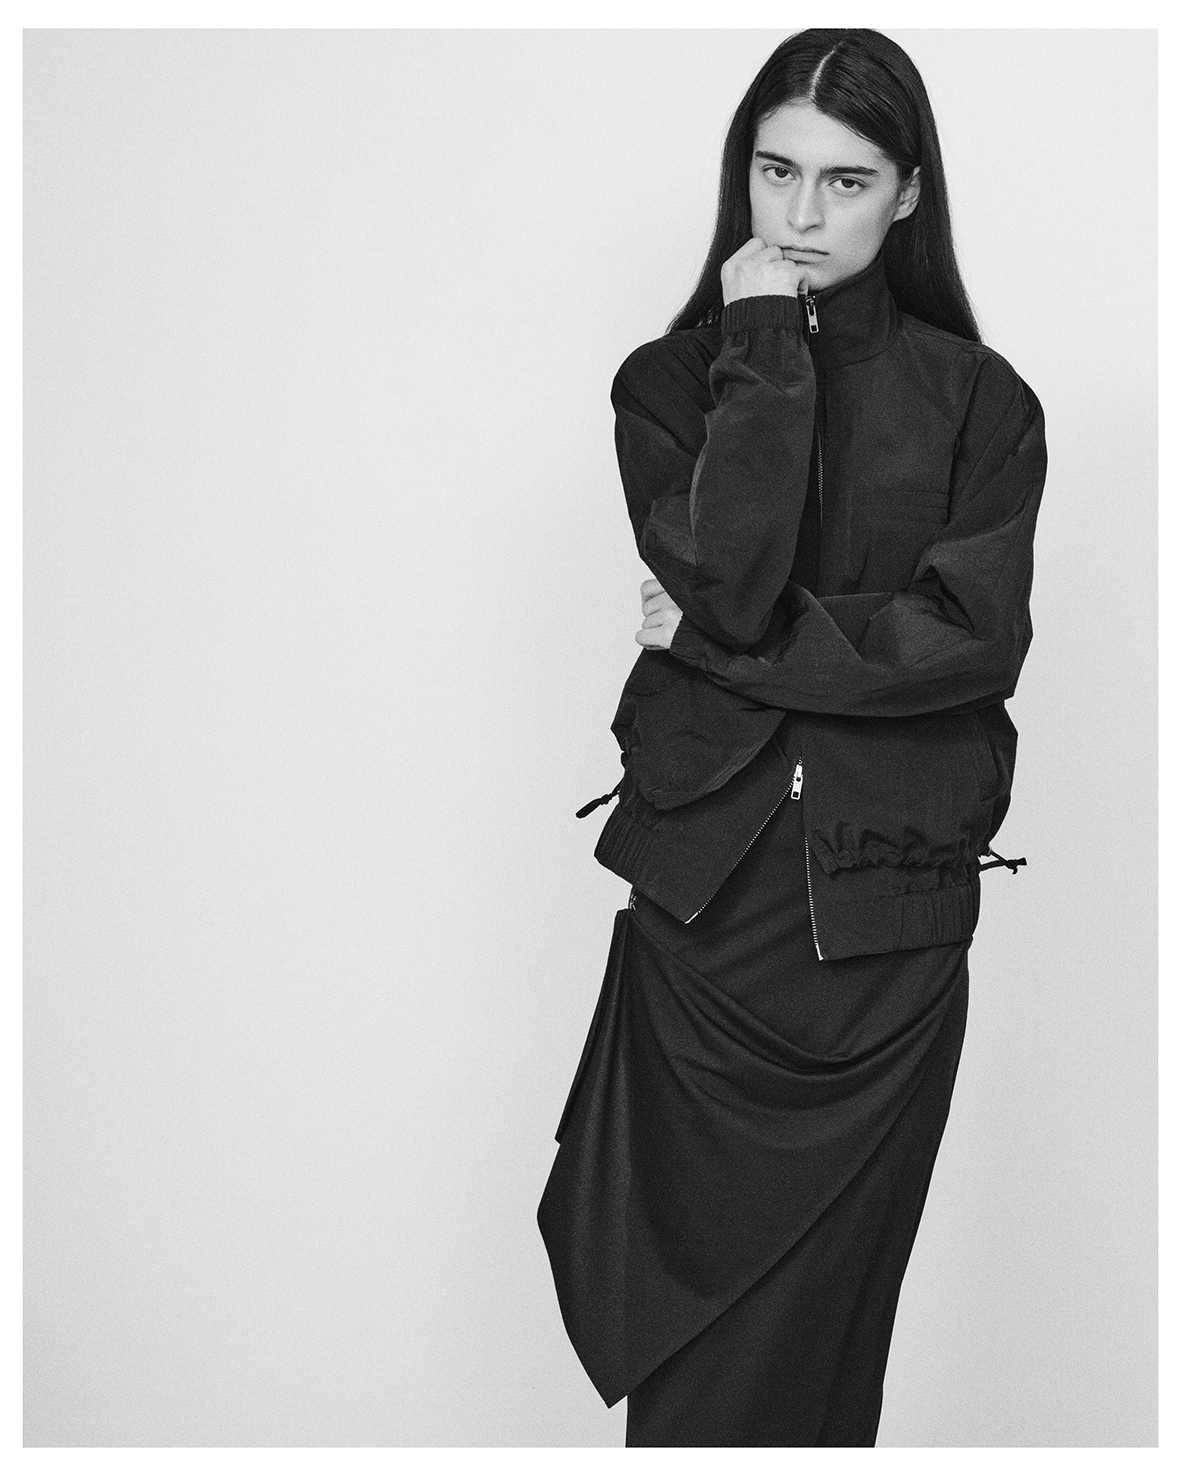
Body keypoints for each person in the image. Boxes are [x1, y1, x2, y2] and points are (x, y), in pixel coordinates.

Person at [537, 27, 1046, 1448]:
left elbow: (969, 642)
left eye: (845, 179)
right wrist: (760, 348)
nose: (802, 214)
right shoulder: (669, 385)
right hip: (706, 915)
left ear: (908, 194)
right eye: (775, 173)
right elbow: (738, 572)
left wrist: (717, 642)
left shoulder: (982, 403)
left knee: (821, 1354)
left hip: (886, 927)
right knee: (685, 1348)